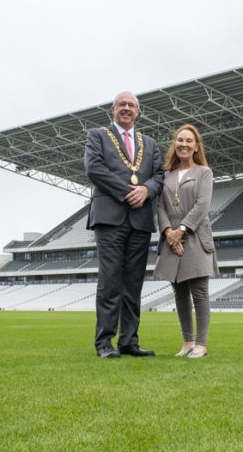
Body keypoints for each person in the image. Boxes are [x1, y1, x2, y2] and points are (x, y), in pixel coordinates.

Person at [84, 91, 165, 358]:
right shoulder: (97, 135)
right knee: (110, 281)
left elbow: (159, 175)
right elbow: (94, 168)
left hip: (140, 219)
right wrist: (129, 192)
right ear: (113, 109)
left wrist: (145, 190)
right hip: (110, 217)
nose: (127, 108)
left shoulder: (150, 143)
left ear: (138, 111)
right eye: (122, 104)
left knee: (133, 283)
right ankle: (105, 342)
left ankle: (129, 341)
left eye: (131, 105)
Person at [153, 124, 217, 358]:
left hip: (196, 238)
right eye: (180, 140)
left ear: (196, 146)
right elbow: (160, 207)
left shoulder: (204, 173)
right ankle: (187, 342)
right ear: (175, 144)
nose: (183, 144)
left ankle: (201, 343)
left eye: (189, 141)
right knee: (180, 294)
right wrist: (169, 231)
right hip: (171, 239)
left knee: (199, 293)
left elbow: (202, 205)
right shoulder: (166, 176)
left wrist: (181, 230)